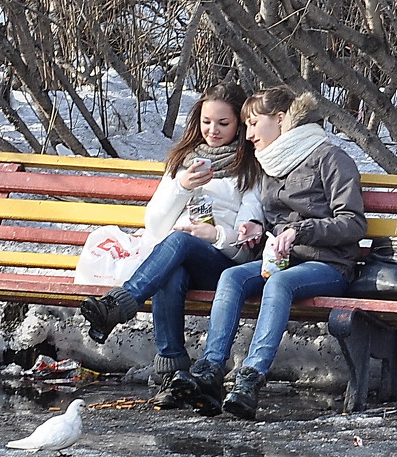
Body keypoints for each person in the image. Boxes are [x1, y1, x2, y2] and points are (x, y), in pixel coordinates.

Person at [168, 86, 367, 421]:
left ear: (279, 120)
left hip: (328, 265)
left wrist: (300, 231)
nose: (247, 136)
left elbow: (352, 223)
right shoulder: (271, 165)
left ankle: (250, 378)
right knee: (231, 277)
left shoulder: (329, 158)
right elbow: (273, 220)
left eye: (252, 124)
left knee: (279, 284)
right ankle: (211, 370)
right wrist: (258, 231)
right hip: (283, 260)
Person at [80, 82, 265, 409]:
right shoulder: (184, 161)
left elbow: (246, 249)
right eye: (207, 122)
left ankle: (121, 303)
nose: (213, 130)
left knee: (179, 241)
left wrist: (216, 236)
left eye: (224, 123)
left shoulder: (250, 167)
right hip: (181, 259)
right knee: (172, 272)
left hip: (225, 268)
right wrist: (180, 187)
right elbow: (154, 224)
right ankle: (175, 375)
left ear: (239, 123)